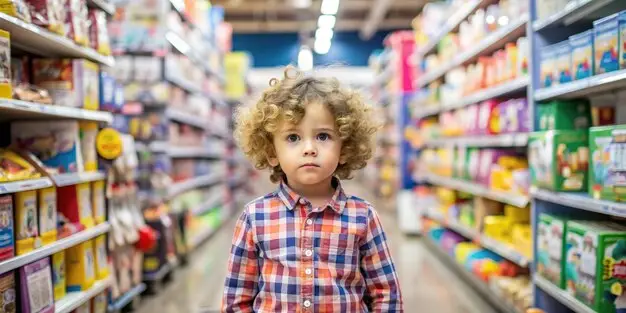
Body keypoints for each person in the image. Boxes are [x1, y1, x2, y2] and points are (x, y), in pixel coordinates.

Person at [221, 67, 403, 312]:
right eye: (293, 138)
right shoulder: (255, 217)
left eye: (323, 136)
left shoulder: (363, 217)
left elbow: (385, 294)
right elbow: (237, 297)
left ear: (345, 148)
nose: (309, 148)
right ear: (272, 152)